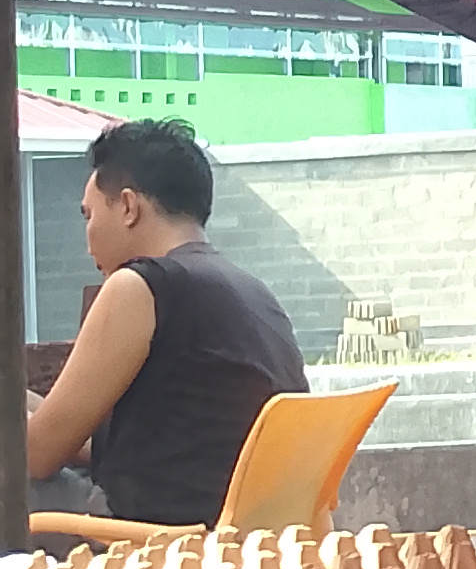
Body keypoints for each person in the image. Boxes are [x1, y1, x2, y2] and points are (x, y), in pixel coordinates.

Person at [25, 117, 309, 524]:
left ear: (128, 207)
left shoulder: (140, 286)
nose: (87, 241)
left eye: (89, 215)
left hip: (153, 538)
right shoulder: (254, 294)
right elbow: (94, 440)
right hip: (247, 537)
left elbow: (35, 456)